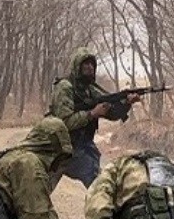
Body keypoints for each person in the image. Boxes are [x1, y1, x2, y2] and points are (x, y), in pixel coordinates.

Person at [48, 47, 143, 190]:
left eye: (92, 64)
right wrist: (91, 114)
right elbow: (64, 122)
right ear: (77, 66)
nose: (90, 67)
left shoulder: (90, 90)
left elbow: (111, 112)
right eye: (85, 64)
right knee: (39, 192)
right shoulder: (65, 87)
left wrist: (126, 103)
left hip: (80, 149)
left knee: (100, 190)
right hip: (58, 148)